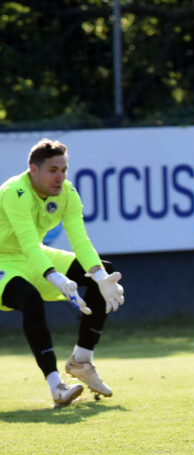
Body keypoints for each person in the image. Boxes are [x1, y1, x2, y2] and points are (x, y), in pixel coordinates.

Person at [0, 138, 125, 407]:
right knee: (29, 298)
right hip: (4, 260)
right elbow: (28, 243)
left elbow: (80, 241)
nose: (60, 177)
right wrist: (55, 277)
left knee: (104, 271)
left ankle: (81, 361)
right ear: (33, 170)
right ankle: (56, 385)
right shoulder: (14, 191)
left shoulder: (67, 193)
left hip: (34, 256)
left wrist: (101, 278)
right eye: (52, 170)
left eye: (63, 170)